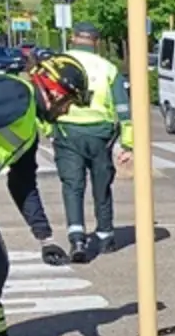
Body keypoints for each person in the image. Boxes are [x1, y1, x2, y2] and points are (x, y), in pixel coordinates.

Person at [0, 55, 84, 336]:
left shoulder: (28, 126)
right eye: (68, 102)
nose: (66, 111)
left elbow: (22, 184)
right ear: (53, 91)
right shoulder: (15, 94)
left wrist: (44, 237)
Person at [53, 23, 132, 263]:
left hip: (67, 131)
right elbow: (123, 107)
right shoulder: (108, 68)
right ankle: (106, 236)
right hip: (101, 135)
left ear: (74, 38)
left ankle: (77, 237)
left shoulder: (58, 64)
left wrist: (48, 128)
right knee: (101, 186)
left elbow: (44, 99)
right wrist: (128, 144)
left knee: (72, 186)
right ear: (97, 42)